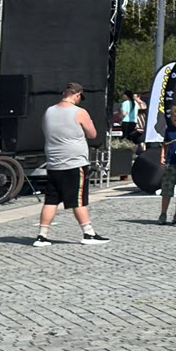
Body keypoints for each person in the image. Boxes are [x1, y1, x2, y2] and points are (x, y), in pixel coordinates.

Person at [35, 79, 106, 245]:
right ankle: (88, 233)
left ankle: (42, 235)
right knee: (78, 199)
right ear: (77, 95)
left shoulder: (48, 111)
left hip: (53, 162)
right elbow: (93, 134)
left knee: (51, 199)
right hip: (74, 162)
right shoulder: (80, 112)